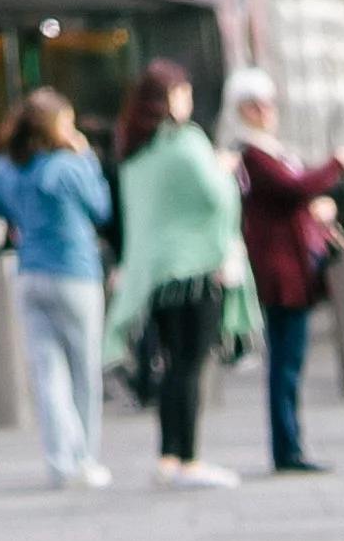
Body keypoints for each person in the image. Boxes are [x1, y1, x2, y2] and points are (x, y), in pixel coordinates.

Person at [107, 63, 251, 488]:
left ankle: (169, 457)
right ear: (169, 99)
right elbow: (215, 198)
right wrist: (223, 171)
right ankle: (187, 459)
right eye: (183, 91)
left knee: (171, 365)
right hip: (197, 270)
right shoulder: (186, 141)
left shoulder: (136, 152)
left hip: (158, 275)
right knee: (190, 365)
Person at [0, 90, 113, 486]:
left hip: (30, 275)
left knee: (48, 375)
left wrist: (11, 211)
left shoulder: (13, 167)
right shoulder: (68, 165)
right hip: (75, 273)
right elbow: (101, 207)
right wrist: (87, 158)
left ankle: (59, 462)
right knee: (83, 372)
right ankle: (86, 460)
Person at [223, 67, 343, 474]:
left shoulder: (268, 152)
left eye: (268, 103)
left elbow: (294, 195)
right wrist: (337, 164)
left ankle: (290, 443)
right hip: (281, 270)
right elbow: (294, 190)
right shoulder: (254, 155)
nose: (266, 111)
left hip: (289, 266)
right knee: (286, 363)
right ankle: (287, 447)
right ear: (243, 110)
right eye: (257, 105)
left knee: (289, 362)